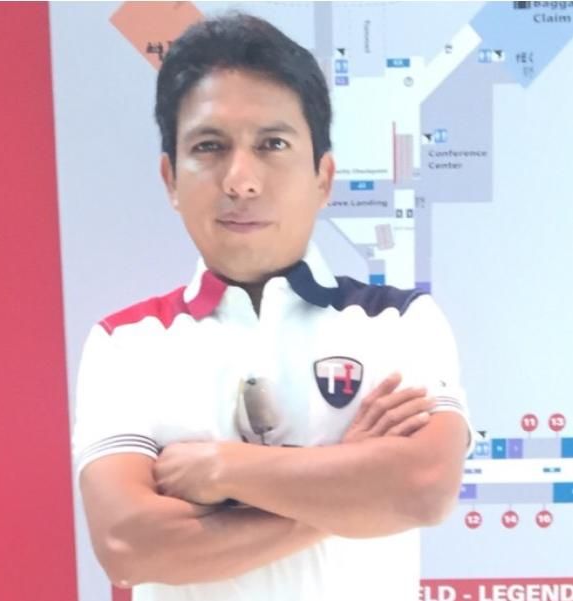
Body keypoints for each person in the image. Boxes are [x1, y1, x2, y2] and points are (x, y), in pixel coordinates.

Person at [74, 13, 474, 601]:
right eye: (209, 147)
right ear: (170, 179)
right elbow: (127, 545)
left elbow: (423, 488)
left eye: (273, 145)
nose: (241, 181)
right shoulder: (126, 343)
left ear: (323, 176)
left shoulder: (400, 323)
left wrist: (220, 469)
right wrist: (351, 484)